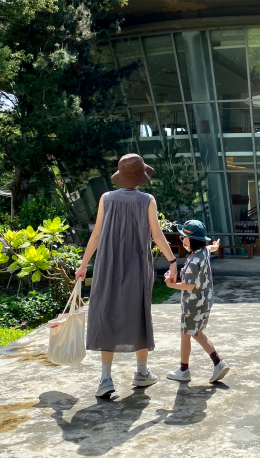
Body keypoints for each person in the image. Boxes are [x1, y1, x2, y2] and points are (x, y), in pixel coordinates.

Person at [74, 153, 178, 399]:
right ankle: (141, 373)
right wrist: (172, 261)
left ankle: (105, 378)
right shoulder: (147, 200)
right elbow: (157, 235)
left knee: (105, 313)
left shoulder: (106, 198)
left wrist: (83, 265)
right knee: (139, 313)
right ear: (140, 177)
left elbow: (96, 234)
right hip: (137, 266)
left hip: (107, 266)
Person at [164, 220, 230, 384]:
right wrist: (215, 245)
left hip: (193, 303)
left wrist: (170, 284)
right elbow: (211, 248)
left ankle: (184, 370)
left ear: (191, 240)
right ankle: (218, 363)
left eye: (184, 238)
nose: (183, 241)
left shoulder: (194, 260)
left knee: (187, 333)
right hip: (205, 301)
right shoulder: (203, 251)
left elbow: (190, 285)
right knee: (196, 333)